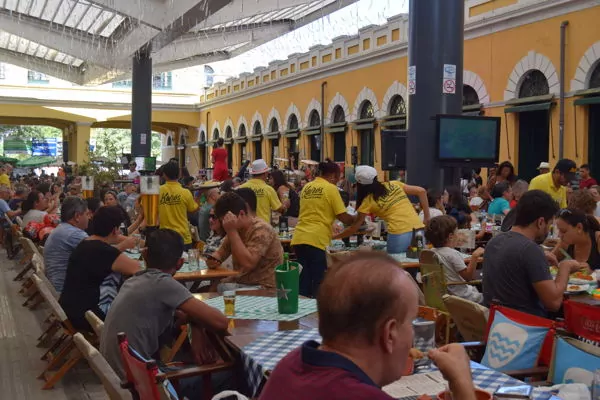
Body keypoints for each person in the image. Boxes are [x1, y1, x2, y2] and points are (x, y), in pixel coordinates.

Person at [259, 252, 478, 400]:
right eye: (410, 323)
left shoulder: (290, 364)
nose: (411, 335)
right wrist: (462, 384)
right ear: (389, 333)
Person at [100, 229, 229, 395]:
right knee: (231, 374)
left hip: (125, 378)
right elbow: (221, 322)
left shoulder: (133, 280)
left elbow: (184, 314)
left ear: (145, 255)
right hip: (144, 387)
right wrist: (196, 325)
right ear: (180, 263)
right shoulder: (163, 283)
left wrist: (196, 327)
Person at [482, 190, 583, 317]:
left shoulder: (494, 242)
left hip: (495, 323)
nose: (548, 230)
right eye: (550, 224)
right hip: (525, 328)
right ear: (540, 222)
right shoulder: (530, 250)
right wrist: (565, 268)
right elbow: (553, 303)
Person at [59, 206, 139, 331]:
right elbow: (137, 269)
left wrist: (118, 237)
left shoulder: (86, 243)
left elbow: (112, 241)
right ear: (114, 229)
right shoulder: (105, 252)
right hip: (87, 316)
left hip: (70, 309)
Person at [291, 160, 355, 297]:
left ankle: (301, 313)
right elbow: (343, 216)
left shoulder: (307, 187)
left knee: (303, 280)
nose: (338, 180)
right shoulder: (331, 188)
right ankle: (315, 315)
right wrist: (358, 219)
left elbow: (314, 211)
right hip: (316, 239)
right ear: (333, 175)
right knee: (318, 281)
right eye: (338, 176)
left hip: (299, 237)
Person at [337, 165, 429, 254]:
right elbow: (421, 191)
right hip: (418, 231)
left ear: (360, 184)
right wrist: (426, 217)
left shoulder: (367, 201)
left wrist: (334, 237)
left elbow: (354, 228)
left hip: (399, 234)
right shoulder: (394, 184)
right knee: (416, 263)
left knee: (396, 266)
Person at [207, 192, 283, 289]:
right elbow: (220, 254)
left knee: (221, 288)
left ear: (242, 213)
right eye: (223, 221)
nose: (225, 224)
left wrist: (232, 231)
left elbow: (248, 263)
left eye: (228, 220)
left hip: (264, 286)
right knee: (214, 287)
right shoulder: (235, 229)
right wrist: (212, 260)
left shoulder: (261, 229)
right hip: (241, 282)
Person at [425, 216, 483, 304]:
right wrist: (475, 256)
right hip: (463, 297)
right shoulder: (452, 254)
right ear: (451, 236)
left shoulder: (431, 252)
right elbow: (468, 277)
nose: (459, 234)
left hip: (445, 295)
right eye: (457, 231)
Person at [44, 197, 90, 293]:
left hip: (57, 285)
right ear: (77, 216)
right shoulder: (74, 234)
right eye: (87, 214)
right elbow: (102, 254)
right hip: (66, 291)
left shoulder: (62, 228)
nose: (89, 217)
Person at [158, 161, 199, 250]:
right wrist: (197, 199)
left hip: (164, 238)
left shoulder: (157, 191)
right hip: (183, 238)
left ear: (164, 175)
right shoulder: (186, 192)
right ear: (180, 174)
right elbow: (193, 209)